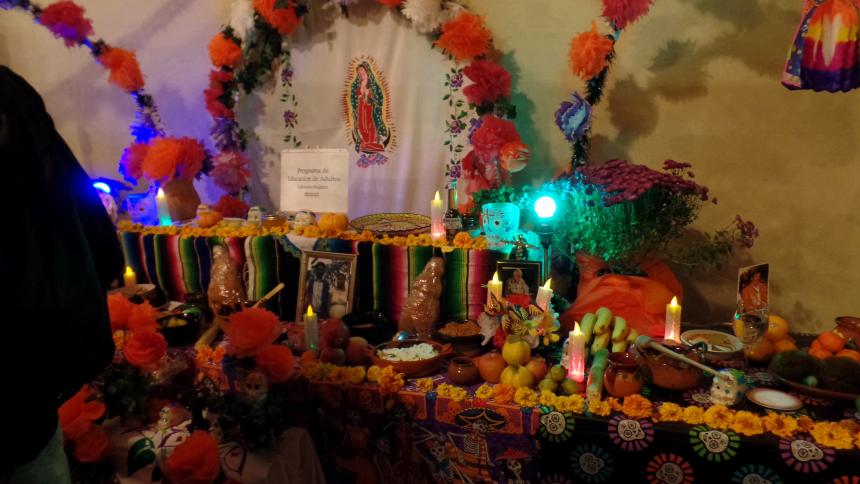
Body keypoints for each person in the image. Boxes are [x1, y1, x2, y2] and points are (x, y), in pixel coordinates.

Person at [0, 66, 123, 482]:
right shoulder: (10, 91)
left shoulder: (9, 92)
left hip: (26, 399)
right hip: (27, 390)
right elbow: (91, 230)